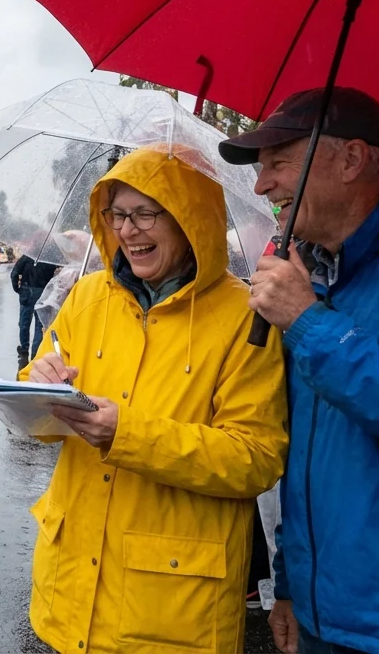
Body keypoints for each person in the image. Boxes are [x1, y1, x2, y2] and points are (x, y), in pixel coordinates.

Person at [216, 88, 379, 654]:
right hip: (320, 613)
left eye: (279, 164)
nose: (262, 186)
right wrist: (288, 581)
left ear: (353, 159)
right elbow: (310, 454)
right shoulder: (318, 269)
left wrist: (308, 324)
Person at [20, 146, 288, 654]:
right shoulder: (86, 296)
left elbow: (255, 459)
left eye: (146, 213)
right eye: (118, 214)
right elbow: (39, 398)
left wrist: (128, 435)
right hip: (67, 596)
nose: (127, 230)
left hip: (172, 614)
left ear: (189, 217)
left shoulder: (244, 316)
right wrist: (39, 379)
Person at [10, 252, 59, 365]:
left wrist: (17, 289)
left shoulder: (27, 256)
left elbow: (14, 273)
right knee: (40, 323)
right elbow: (54, 278)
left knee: (24, 322)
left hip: (26, 291)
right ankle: (35, 351)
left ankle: (24, 347)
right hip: (43, 292)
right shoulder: (50, 259)